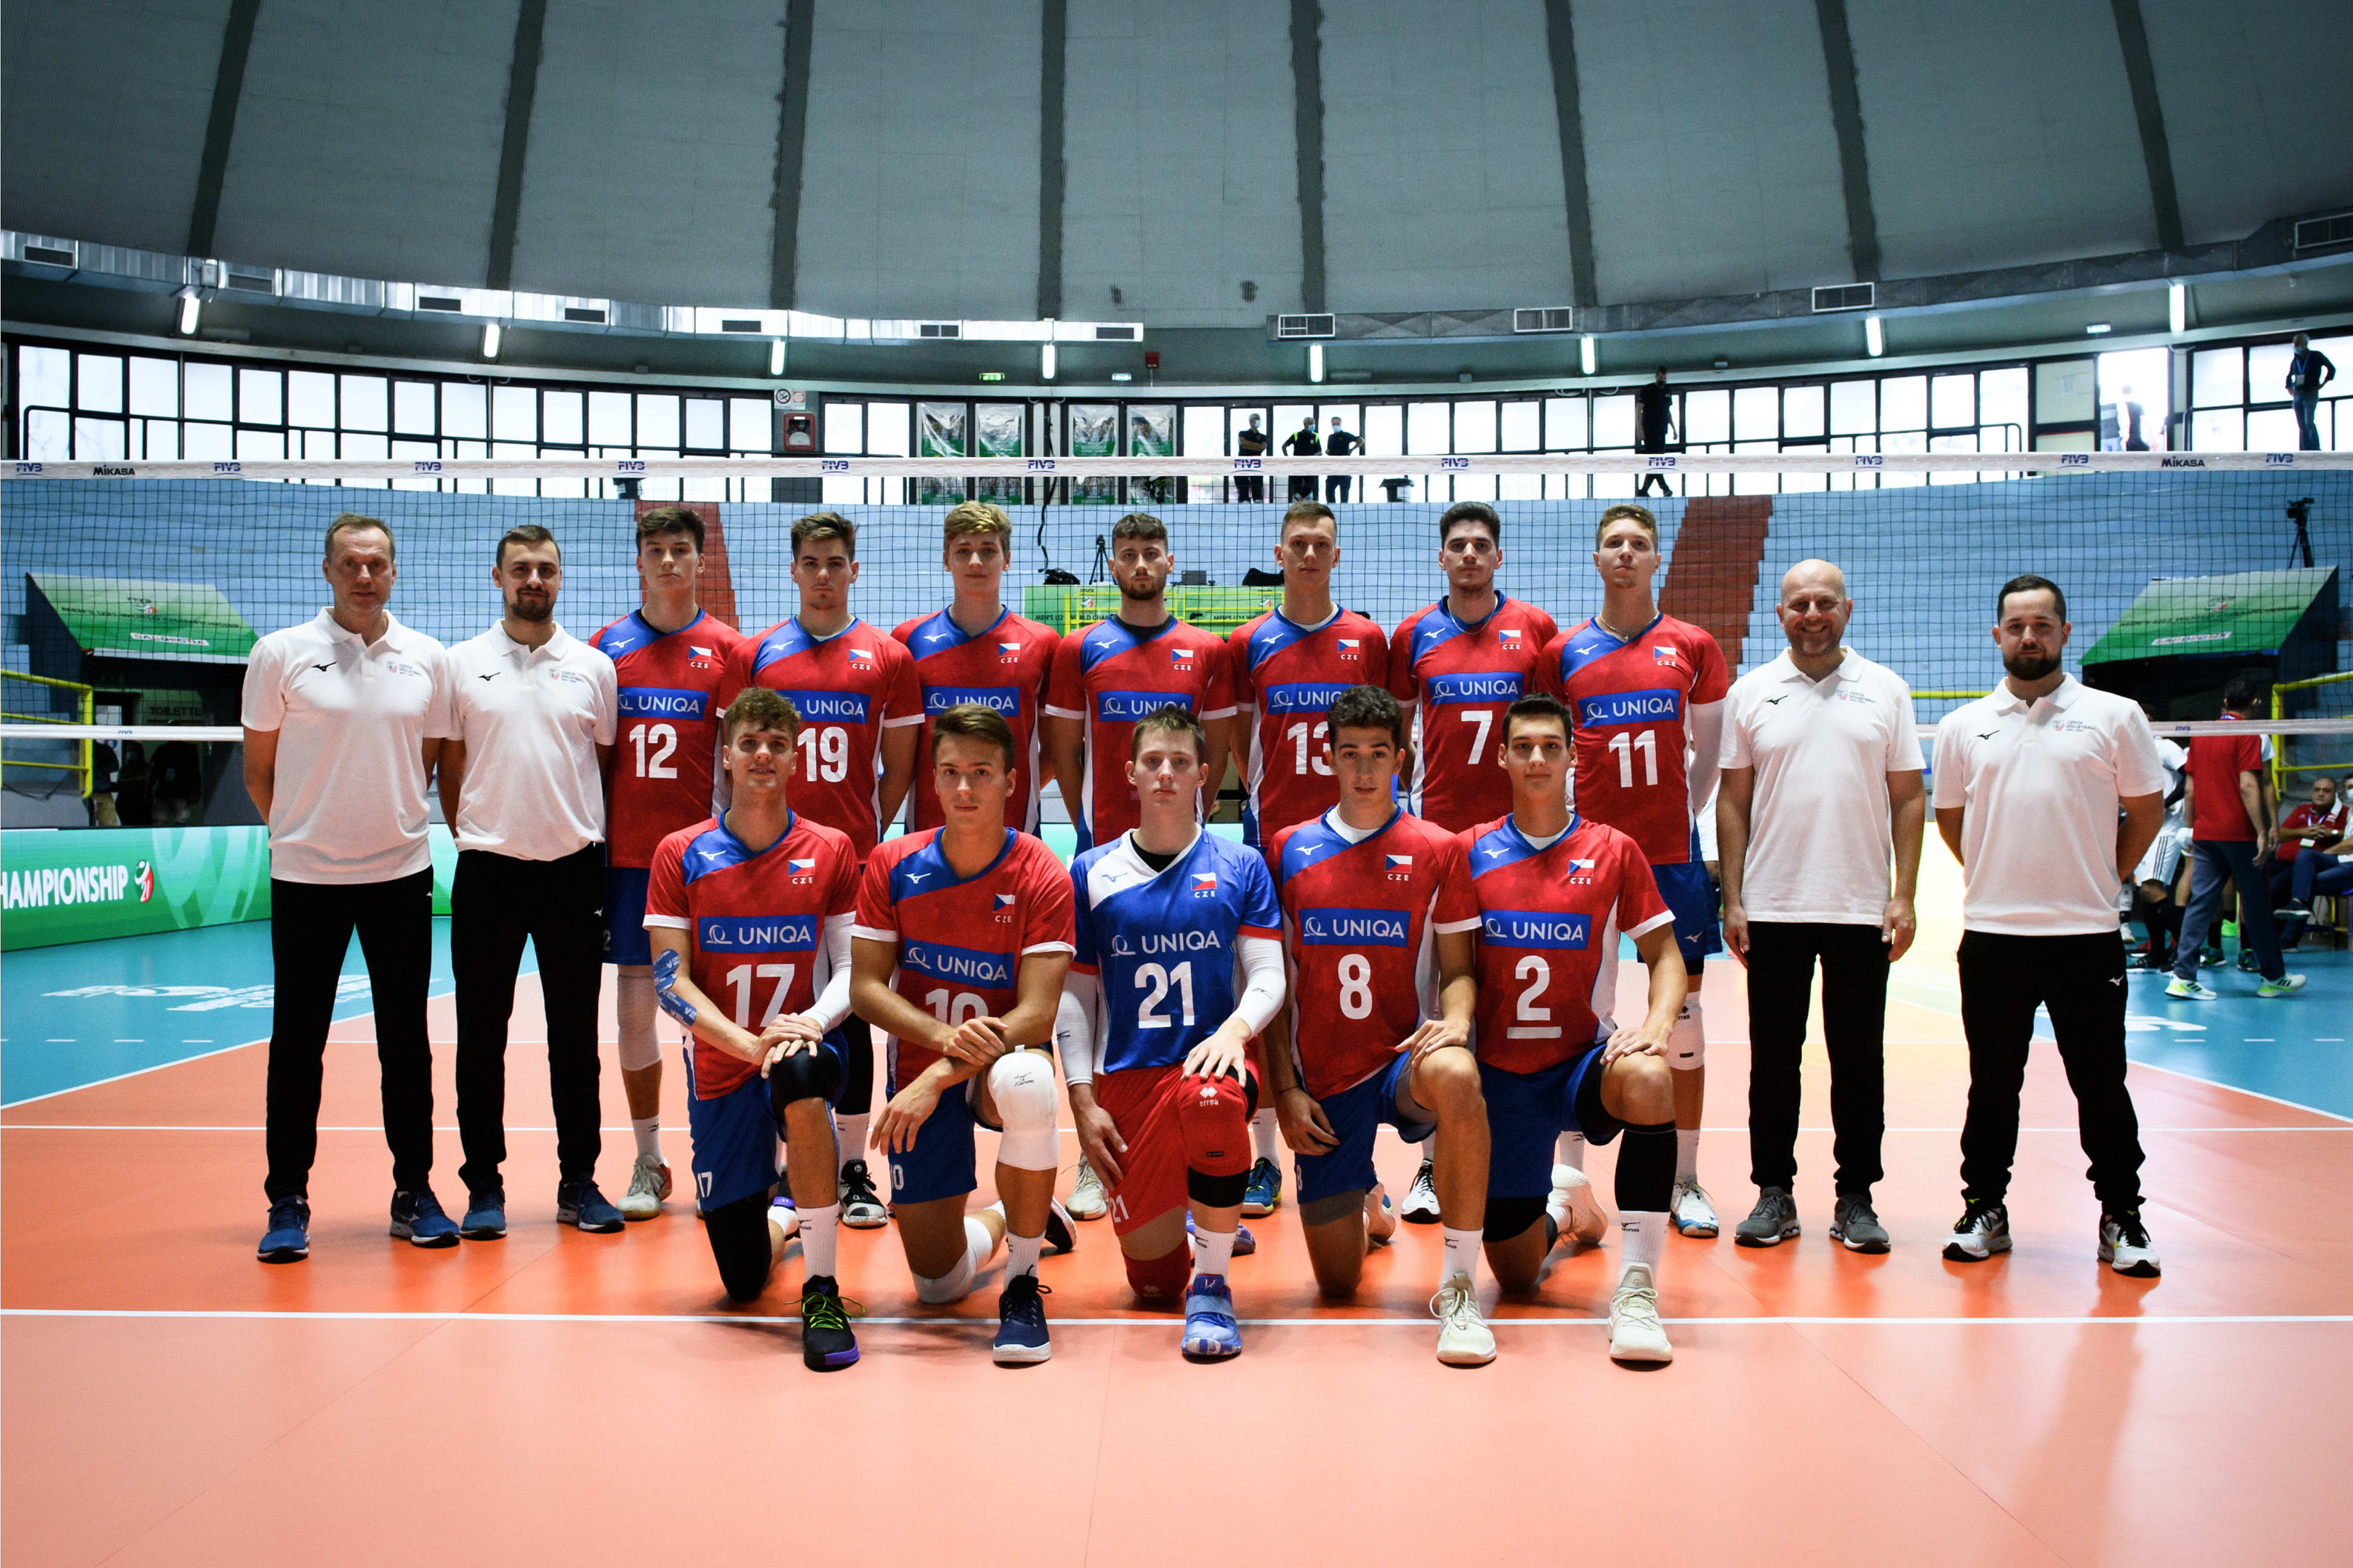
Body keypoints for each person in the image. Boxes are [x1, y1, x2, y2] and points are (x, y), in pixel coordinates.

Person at [1932, 574, 2168, 1276]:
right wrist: (1998, 868)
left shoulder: (2116, 715)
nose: (2028, 637)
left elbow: (2146, 811)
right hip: (1993, 937)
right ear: (1996, 636)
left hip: (2086, 937)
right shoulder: (1962, 726)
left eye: (2042, 625)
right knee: (1991, 1085)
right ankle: (1984, 1208)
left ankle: (2122, 1216)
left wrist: (2104, 875)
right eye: (2016, 626)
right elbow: (1952, 820)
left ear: (2066, 632)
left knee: (2101, 1084)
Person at [243, 512, 455, 1263]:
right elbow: (258, 771)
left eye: (377, 564)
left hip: (400, 875)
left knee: (407, 1045)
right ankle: (287, 1200)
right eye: (350, 564)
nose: (364, 576)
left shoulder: (427, 659)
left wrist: (383, 823)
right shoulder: (280, 654)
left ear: (394, 571)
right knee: (297, 1045)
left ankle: (414, 1192)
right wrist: (303, 835)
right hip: (307, 880)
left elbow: (426, 762)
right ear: (328, 571)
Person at [1262, 686, 1495, 1364]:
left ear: (1401, 756)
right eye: (1350, 753)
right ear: (1329, 757)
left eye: (1378, 753)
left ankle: (1459, 1285)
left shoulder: (1438, 848)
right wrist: (1285, 1090)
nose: (1365, 769)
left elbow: (1460, 970)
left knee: (1458, 1073)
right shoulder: (1288, 849)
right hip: (1325, 1076)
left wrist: (1455, 1021)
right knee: (1339, 1284)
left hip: (1403, 1060)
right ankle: (1364, 1192)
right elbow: (1273, 985)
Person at [1461, 694, 1688, 1363]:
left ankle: (1637, 1291)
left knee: (1650, 1078)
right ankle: (1565, 1208)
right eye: (1523, 747)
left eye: (1550, 747)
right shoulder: (1470, 851)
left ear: (1571, 758)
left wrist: (1656, 1025)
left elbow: (1666, 955)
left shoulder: (1613, 850)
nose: (1537, 758)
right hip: (1501, 1079)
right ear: (1502, 758)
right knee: (1516, 1276)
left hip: (1579, 1065)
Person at [852, 703, 1078, 1364]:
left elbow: (1037, 1013)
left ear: (1012, 781)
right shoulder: (894, 862)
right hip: (926, 1065)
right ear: (932, 779)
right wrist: (940, 1047)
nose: (964, 788)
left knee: (1030, 1080)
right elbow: (866, 988)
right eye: (950, 772)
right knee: (939, 1285)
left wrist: (939, 1072)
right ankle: (1015, 1212)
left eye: (981, 772)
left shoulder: (1041, 870)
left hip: (995, 1068)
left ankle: (1022, 1284)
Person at [1059, 706, 1286, 1360]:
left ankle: (1212, 1285)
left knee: (1212, 1099)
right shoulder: (1092, 871)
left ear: (1203, 776)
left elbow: (1268, 975)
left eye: (1180, 762)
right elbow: (1074, 998)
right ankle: (1204, 1216)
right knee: (1154, 1285)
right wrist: (1082, 1100)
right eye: (1153, 761)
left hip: (1209, 1066)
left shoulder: (1240, 864)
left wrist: (1235, 1031)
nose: (1166, 773)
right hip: (1129, 1078)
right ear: (1129, 773)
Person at [643, 689, 860, 1369]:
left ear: (795, 759)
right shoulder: (681, 853)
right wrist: (747, 1045)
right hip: (721, 1062)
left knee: (801, 1072)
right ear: (728, 757)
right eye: (749, 743)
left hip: (802, 1044)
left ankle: (822, 1289)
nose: (763, 754)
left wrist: (810, 1024)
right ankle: (788, 1212)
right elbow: (669, 981)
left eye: (777, 744)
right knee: (741, 1279)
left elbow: (853, 968)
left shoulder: (830, 848)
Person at [1716, 560, 1924, 1254]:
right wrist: (1734, 898)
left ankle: (1856, 1196)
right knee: (1774, 1060)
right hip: (1774, 905)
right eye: (1799, 604)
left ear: (1847, 608)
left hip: (1860, 905)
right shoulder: (1751, 692)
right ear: (1780, 614)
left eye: (1825, 602)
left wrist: (1904, 894)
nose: (1812, 615)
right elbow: (1734, 800)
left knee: (1859, 1060)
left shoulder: (1886, 689)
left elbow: (1909, 797)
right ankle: (1773, 1193)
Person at [1534, 502, 1729, 1240]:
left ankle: (1685, 1179)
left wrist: (1675, 818)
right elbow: (1549, 747)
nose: (1625, 553)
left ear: (1655, 559)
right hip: (1586, 858)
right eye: (1613, 543)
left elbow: (1706, 759)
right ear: (1597, 559)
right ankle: (1567, 1184)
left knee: (1683, 1023)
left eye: (1638, 543)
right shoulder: (1564, 652)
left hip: (1670, 857)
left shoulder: (1692, 645)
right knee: (1575, 1017)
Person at [1042, 512, 1237, 1217]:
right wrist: (1091, 825)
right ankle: (1095, 1158)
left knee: (1192, 997)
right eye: (1127, 554)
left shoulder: (1205, 650)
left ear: (1169, 561)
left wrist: (1193, 820)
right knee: (1097, 1001)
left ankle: (1197, 1143)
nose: (1141, 564)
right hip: (1108, 852)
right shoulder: (1081, 648)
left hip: (1185, 852)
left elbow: (1216, 750)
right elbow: (1065, 751)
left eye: (1151, 552)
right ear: (1115, 566)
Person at [439, 523, 623, 1238]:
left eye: (545, 569)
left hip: (573, 874)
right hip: (488, 872)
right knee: (480, 1039)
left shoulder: (593, 668)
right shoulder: (461, 664)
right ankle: (483, 1187)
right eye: (521, 569)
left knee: (575, 1041)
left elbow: (598, 765)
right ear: (498, 578)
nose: (534, 580)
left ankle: (580, 1182)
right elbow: (450, 769)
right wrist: (482, 831)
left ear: (559, 578)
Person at [745, 512, 925, 1229]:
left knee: (853, 1007)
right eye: (812, 563)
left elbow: (900, 767)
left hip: (852, 862)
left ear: (855, 570)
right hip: (772, 862)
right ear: (794, 571)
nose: (824, 574)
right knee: (779, 1005)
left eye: (836, 563)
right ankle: (786, 1164)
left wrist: (862, 833)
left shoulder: (887, 657)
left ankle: (852, 1168)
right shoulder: (760, 653)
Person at [1385, 499, 1558, 1222]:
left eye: (1481, 545)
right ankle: (1431, 1167)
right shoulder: (1413, 635)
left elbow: (1548, 728)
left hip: (1517, 844)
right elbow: (1396, 735)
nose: (1469, 555)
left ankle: (1535, 1165)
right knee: (1438, 999)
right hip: (1441, 840)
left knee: (1520, 999)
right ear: (1441, 557)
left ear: (1498, 557)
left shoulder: (1535, 629)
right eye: (1457, 545)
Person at [1225, 500, 1390, 1214]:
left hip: (1355, 844)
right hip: (1275, 843)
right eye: (1299, 543)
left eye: (1322, 543)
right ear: (1280, 553)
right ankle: (1264, 1157)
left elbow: (1384, 734)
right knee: (1269, 991)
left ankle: (1367, 1162)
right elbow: (1241, 741)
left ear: (1337, 554)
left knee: (1353, 997)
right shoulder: (1249, 642)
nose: (1311, 554)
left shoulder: (1367, 639)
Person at [591, 506, 749, 1221]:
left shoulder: (728, 649)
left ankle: (738, 1154)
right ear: (639, 561)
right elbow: (594, 757)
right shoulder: (607, 647)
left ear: (699, 561)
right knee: (635, 1008)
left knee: (714, 1008)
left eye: (680, 550)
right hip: (628, 858)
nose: (667, 561)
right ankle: (649, 1158)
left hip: (702, 859)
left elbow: (739, 762)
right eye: (654, 550)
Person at [2168, 676, 2303, 999]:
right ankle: (2273, 977)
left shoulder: (2202, 734)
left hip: (2205, 834)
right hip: (2239, 835)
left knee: (2201, 903)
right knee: (2257, 906)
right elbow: (2248, 786)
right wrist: (2262, 831)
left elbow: (2190, 789)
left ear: (2225, 703)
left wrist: (2190, 827)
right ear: (2256, 703)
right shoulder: (2248, 733)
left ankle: (2182, 976)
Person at [2124, 719, 2192, 972]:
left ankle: (2188, 951)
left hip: (2167, 827)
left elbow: (2189, 777)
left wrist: (2164, 804)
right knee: (2144, 891)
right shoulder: (2132, 752)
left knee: (2153, 888)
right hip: (2145, 827)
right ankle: (2157, 954)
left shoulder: (2165, 747)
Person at [2271, 775, 2351, 942]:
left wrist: (2332, 834)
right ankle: (2264, 933)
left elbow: (2349, 838)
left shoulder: (2344, 813)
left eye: (2326, 791)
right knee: (2258, 877)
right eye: (2317, 790)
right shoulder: (2302, 810)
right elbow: (2280, 834)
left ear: (2336, 794)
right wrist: (2303, 832)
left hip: (2320, 864)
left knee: (2280, 884)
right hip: (2284, 862)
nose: (2321, 794)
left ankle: (2282, 938)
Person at [2288, 333, 2336, 451]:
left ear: (2305, 343)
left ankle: (2315, 448)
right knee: (2301, 425)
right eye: (2295, 343)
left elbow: (2331, 369)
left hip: (2310, 393)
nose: (2296, 345)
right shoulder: (2296, 359)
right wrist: (2290, 389)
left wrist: (2322, 385)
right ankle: (2305, 450)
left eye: (2298, 342)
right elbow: (2289, 376)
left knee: (2309, 422)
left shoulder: (2316, 356)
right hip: (2298, 394)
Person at [1634, 368, 1675, 498]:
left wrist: (1673, 428)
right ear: (1656, 376)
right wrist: (1640, 430)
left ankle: (1643, 491)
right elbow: (1639, 410)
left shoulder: (1667, 391)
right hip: (1650, 431)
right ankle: (1665, 488)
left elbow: (1667, 411)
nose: (1663, 379)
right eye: (1661, 377)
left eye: (1665, 378)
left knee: (1658, 461)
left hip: (1662, 431)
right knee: (1656, 461)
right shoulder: (1648, 390)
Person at [1281, 415, 1321, 502]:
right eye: (1311, 424)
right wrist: (1287, 458)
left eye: (1313, 424)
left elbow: (1320, 451)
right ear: (1305, 425)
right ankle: (1297, 499)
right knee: (1297, 483)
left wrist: (1317, 455)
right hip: (1297, 464)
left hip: (1310, 464)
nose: (1313, 426)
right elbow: (1284, 446)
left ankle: (1300, 497)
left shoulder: (1315, 436)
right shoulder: (1296, 435)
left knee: (1310, 484)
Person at [1323, 415, 1360, 502]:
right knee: (1329, 492)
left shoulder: (1346, 435)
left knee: (1344, 495)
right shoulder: (1331, 437)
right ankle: (1331, 510)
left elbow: (1361, 440)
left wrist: (1352, 449)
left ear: (1341, 424)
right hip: (1333, 469)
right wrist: (1328, 452)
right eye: (1334, 424)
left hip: (1344, 469)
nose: (1335, 426)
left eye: (1337, 424)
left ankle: (1344, 509)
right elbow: (1330, 451)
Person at [1235, 414, 1269, 502]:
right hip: (1243, 462)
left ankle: (1258, 499)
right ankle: (1244, 499)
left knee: (1257, 482)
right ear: (1251, 421)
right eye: (1256, 419)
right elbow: (1242, 443)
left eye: (1259, 419)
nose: (1258, 421)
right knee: (1243, 482)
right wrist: (1257, 445)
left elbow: (1262, 448)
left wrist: (1248, 445)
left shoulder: (1263, 436)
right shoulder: (1243, 433)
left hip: (1256, 463)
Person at [86, 740, 119, 827]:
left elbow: (115, 766)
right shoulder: (75, 750)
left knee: (109, 826)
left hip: (102, 793)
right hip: (80, 794)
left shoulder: (103, 750)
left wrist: (99, 770)